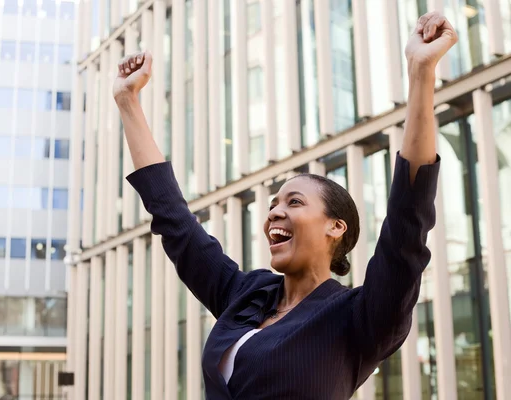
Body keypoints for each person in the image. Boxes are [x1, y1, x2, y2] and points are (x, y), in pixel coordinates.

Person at [113, 11, 457, 399]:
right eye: (274, 203)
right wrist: (128, 102)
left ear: (335, 226)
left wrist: (420, 73)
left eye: (294, 202)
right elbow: (174, 220)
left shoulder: (359, 316)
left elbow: (407, 223)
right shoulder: (247, 294)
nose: (275, 211)